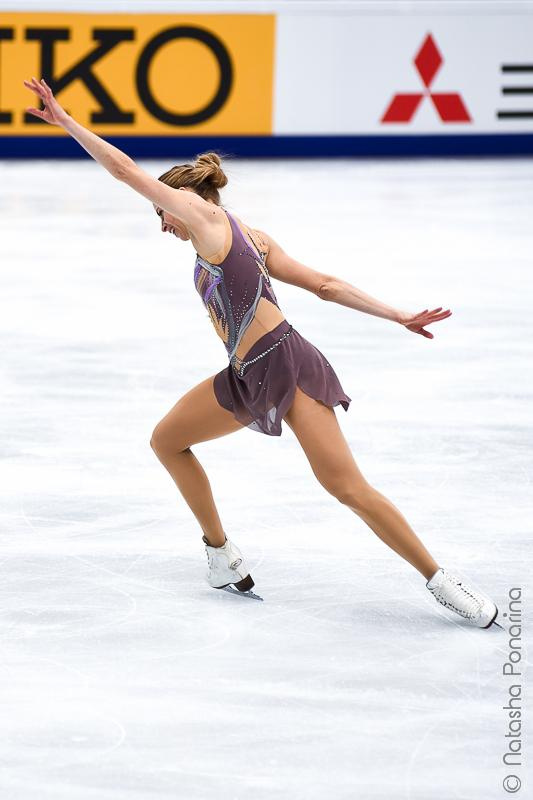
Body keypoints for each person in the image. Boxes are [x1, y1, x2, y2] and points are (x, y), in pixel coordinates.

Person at [24, 76, 501, 628]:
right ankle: (221, 556)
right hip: (246, 373)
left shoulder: (205, 220)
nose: (162, 226)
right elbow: (323, 283)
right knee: (168, 440)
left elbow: (126, 170)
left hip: (285, 364)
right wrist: (396, 314)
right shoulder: (251, 235)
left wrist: (66, 123)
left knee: (346, 487)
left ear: (183, 201)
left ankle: (443, 581)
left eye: (162, 214)